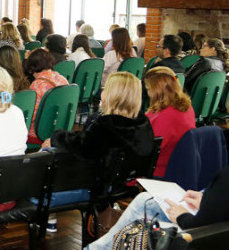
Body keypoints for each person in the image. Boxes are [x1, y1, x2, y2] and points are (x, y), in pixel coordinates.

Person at [53, 85, 229, 250]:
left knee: (144, 222)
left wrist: (180, 215)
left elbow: (199, 229)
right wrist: (209, 201)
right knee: (144, 202)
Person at [41, 72, 155, 207]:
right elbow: (89, 141)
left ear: (112, 95)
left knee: (48, 151)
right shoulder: (143, 124)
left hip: (97, 188)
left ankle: (49, 218)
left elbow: (82, 146)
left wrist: (57, 137)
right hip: (122, 182)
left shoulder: (107, 126)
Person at [144, 67, 196, 177]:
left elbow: (146, 151)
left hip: (157, 171)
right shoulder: (186, 108)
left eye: (148, 89)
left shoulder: (166, 116)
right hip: (175, 166)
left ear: (157, 91)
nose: (148, 94)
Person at [25, 48, 68, 141]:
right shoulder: (63, 79)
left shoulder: (37, 85)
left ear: (32, 68)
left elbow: (31, 117)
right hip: (60, 129)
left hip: (39, 133)